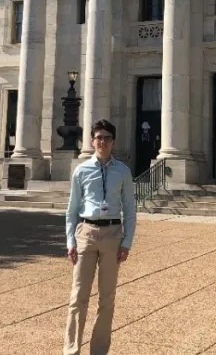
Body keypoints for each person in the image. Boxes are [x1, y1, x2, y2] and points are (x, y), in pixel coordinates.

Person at [64, 119, 136, 355]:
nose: (102, 141)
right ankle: (71, 350)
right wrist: (70, 241)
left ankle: (99, 351)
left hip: (113, 234)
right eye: (98, 137)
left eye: (107, 137)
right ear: (92, 141)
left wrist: (126, 242)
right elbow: (72, 208)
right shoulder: (81, 170)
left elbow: (130, 209)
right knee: (78, 297)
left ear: (113, 142)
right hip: (86, 232)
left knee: (107, 298)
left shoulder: (123, 171)